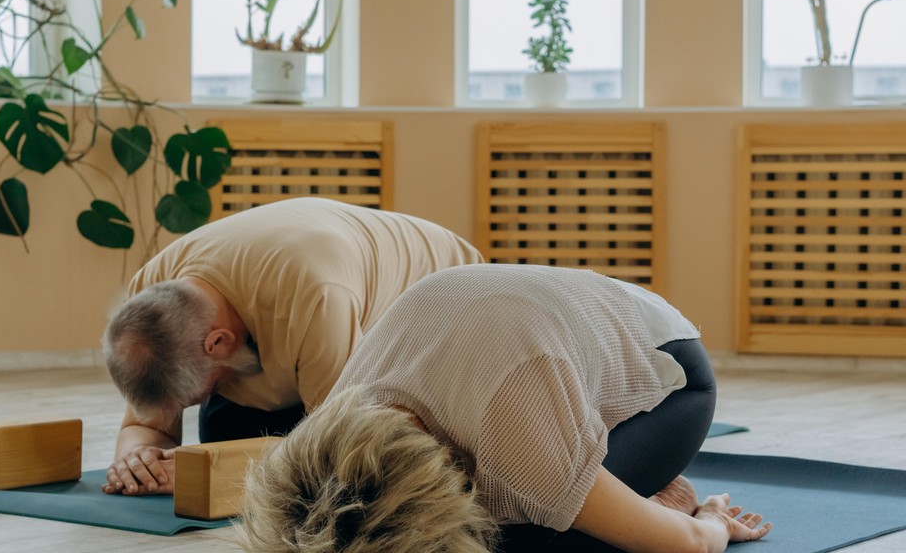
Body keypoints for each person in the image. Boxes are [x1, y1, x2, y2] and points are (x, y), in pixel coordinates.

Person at [237, 264, 773, 553]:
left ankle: (626, 496)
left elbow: (687, 548)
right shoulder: (334, 424)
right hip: (523, 326)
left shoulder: (516, 448)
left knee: (516, 539)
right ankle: (617, 495)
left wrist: (711, 521)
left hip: (670, 368)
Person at [100, 197, 484, 496]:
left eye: (197, 393)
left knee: (341, 478)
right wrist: (135, 458)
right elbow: (145, 422)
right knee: (222, 435)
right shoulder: (151, 296)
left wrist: (210, 467)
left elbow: (336, 449)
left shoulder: (316, 298)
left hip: (442, 302)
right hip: (295, 307)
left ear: (217, 342)